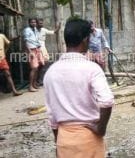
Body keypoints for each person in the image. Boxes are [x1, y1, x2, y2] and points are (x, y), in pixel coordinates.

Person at [44, 17, 114, 158]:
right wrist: (101, 129)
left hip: (64, 139)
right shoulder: (91, 69)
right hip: (88, 137)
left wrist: (58, 143)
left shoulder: (51, 72)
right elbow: (107, 101)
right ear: (86, 40)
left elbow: (51, 116)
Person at [23, 18, 44, 92]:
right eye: (32, 22)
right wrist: (29, 52)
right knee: (34, 68)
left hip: (37, 49)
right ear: (29, 23)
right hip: (31, 50)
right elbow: (25, 41)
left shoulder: (35, 29)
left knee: (38, 67)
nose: (34, 23)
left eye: (35, 22)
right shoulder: (27, 30)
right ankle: (30, 86)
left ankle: (34, 84)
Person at [0, 30, 22, 96]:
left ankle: (14, 91)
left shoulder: (1, 36)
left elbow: (8, 43)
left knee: (7, 74)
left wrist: (5, 51)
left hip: (1, 58)